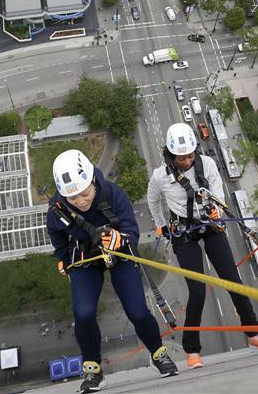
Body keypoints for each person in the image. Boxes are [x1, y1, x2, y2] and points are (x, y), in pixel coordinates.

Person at [147, 124, 258, 370]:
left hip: (210, 225)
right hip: (184, 233)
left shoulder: (206, 164)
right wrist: (160, 225)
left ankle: (253, 335)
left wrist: (217, 207)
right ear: (170, 155)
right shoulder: (160, 176)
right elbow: (152, 199)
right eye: (181, 157)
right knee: (197, 291)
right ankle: (192, 350)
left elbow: (217, 189)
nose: (187, 160)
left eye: (190, 155)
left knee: (232, 280)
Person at [47, 149, 178, 393]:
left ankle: (158, 353)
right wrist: (63, 259)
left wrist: (119, 239)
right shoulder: (58, 209)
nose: (81, 201)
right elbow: (55, 233)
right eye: (73, 199)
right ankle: (93, 370)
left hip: (119, 253)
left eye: (85, 194)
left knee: (138, 311)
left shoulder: (112, 194)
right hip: (86, 257)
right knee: (83, 314)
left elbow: (132, 231)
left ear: (92, 182)